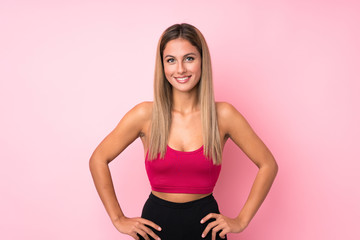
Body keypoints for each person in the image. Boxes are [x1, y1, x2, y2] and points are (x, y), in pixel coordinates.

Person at [89, 23, 278, 240]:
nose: (180, 69)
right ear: (162, 66)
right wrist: (118, 219)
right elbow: (98, 159)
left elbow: (268, 164)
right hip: (155, 229)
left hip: (207, 230)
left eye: (189, 58)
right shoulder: (145, 115)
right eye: (171, 60)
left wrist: (241, 220)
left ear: (202, 61)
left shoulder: (223, 115)